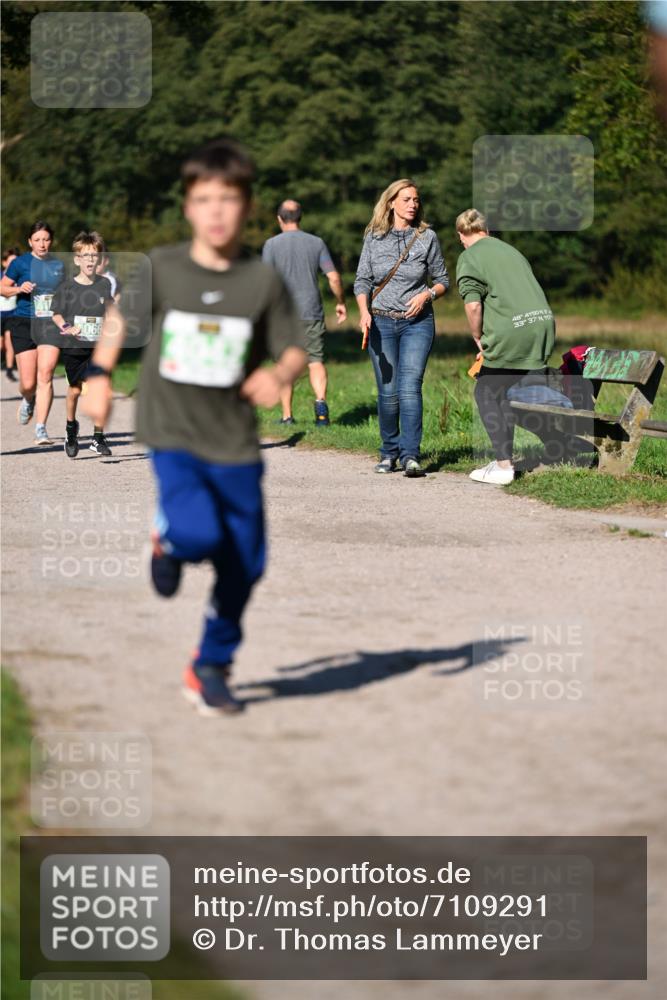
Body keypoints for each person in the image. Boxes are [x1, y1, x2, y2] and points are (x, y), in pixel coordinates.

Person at [84, 137, 307, 717]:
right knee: (200, 533)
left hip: (233, 438)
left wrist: (276, 374)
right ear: (187, 205)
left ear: (247, 206)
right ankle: (170, 537)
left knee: (247, 562)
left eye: (228, 199)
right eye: (203, 198)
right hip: (172, 431)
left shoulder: (261, 280)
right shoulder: (164, 267)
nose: (215, 210)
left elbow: (294, 349)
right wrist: (101, 375)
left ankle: (210, 663)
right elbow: (118, 319)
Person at [354, 179, 449, 477]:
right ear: (391, 202)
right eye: (406, 199)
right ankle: (388, 453)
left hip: (417, 324)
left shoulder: (427, 237)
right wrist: (363, 313)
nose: (412, 204)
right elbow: (362, 281)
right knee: (388, 392)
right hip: (380, 321)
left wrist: (426, 294)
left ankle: (410, 456)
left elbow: (443, 280)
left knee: (410, 389)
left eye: (416, 200)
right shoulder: (374, 237)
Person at [455, 208, 556, 485]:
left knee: (486, 391)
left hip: (512, 330)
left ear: (461, 235)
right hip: (542, 325)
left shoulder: (469, 256)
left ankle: (503, 466)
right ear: (487, 231)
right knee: (506, 392)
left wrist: (479, 338)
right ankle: (524, 453)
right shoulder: (511, 251)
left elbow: (474, 304)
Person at [262, 199, 346, 426]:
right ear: (300, 218)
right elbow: (334, 277)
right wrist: (340, 302)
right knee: (315, 361)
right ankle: (321, 411)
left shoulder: (271, 245)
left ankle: (287, 416)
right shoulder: (316, 243)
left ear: (279, 219)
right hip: (311, 311)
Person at [50, 231, 115, 458]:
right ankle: (71, 430)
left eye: (94, 255)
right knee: (75, 390)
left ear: (99, 259)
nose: (90, 260)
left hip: (98, 348)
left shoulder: (105, 284)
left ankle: (98, 438)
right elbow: (56, 315)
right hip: (74, 346)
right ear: (77, 259)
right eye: (85, 255)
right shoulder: (67, 287)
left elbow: (110, 310)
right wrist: (67, 327)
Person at [0, 222, 64, 443]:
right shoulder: (20, 263)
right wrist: (19, 288)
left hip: (49, 324)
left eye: (46, 239)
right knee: (28, 383)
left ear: (51, 241)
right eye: (37, 240)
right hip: (24, 322)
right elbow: (2, 287)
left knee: (45, 375)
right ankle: (28, 399)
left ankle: (41, 428)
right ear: (30, 242)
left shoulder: (58, 265)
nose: (42, 244)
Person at [1, 247, 20, 382]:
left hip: (12, 313)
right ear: (4, 263)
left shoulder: (19, 277)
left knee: (10, 343)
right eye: (11, 261)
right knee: (1, 344)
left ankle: (9, 370)